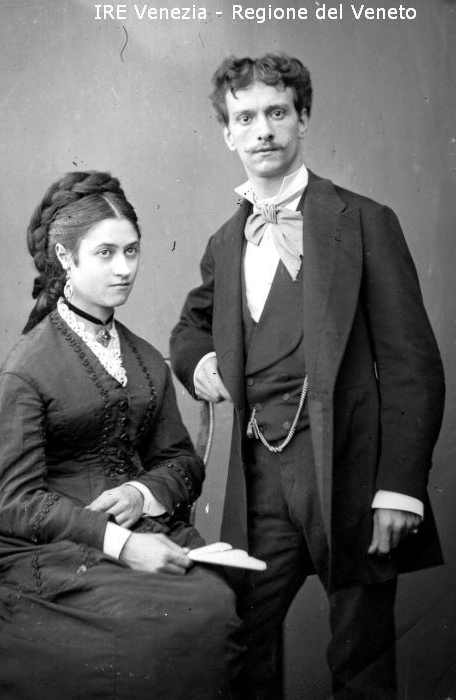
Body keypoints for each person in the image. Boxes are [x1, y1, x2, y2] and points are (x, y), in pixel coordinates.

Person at [170, 53, 445, 699]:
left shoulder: (364, 221)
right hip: (259, 482)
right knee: (238, 647)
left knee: (361, 663)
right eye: (245, 118)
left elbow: (412, 365)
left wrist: (399, 489)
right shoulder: (224, 243)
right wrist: (201, 362)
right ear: (228, 134)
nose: (262, 130)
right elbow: (190, 329)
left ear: (303, 119)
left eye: (276, 112)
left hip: (350, 475)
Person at [0, 171, 243, 700]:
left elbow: (181, 460)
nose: (124, 268)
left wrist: (141, 493)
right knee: (155, 630)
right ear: (65, 257)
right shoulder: (28, 367)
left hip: (148, 529)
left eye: (132, 251)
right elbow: (13, 500)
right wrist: (121, 543)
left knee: (216, 608)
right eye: (105, 253)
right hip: (57, 547)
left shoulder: (145, 358)